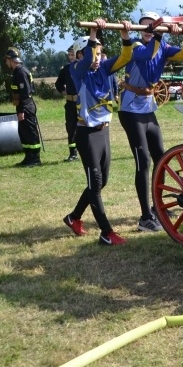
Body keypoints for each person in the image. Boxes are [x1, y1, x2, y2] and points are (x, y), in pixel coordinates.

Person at [118, 12, 183, 233]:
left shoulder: (163, 46)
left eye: (154, 26)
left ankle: (157, 207)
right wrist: (159, 33)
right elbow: (148, 53)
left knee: (161, 158)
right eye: (146, 27)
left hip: (148, 108)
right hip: (130, 109)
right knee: (143, 161)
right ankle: (145, 218)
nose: (150, 30)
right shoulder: (134, 45)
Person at [63, 18, 134, 246]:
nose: (97, 56)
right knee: (95, 183)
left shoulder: (104, 68)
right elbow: (87, 61)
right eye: (93, 52)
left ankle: (73, 217)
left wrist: (125, 35)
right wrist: (92, 33)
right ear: (80, 55)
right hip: (87, 135)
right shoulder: (77, 71)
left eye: (100, 52)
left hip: (104, 132)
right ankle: (106, 232)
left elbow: (125, 57)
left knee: (101, 182)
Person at [4, 47, 42, 167]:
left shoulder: (21, 72)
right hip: (23, 106)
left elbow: (25, 93)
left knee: (30, 132)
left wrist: (21, 110)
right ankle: (28, 157)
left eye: (7, 60)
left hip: (26, 106)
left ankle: (35, 158)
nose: (6, 62)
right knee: (23, 132)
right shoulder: (17, 71)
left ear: (11, 60)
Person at [54, 45, 79, 161]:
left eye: (72, 54)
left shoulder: (83, 67)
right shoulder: (66, 69)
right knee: (71, 127)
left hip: (82, 103)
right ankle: (73, 153)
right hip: (70, 103)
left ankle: (86, 150)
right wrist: (64, 92)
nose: (70, 57)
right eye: (69, 55)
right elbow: (58, 83)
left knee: (85, 127)